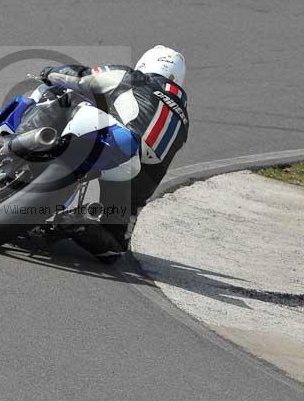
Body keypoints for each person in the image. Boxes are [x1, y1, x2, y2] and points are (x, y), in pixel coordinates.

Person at [36, 45, 189, 263]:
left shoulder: (135, 78)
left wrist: (49, 72)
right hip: (137, 178)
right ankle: (83, 221)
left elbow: (84, 78)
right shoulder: (184, 123)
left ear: (145, 64)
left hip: (116, 141)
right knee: (116, 243)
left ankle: (19, 142)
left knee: (64, 94)